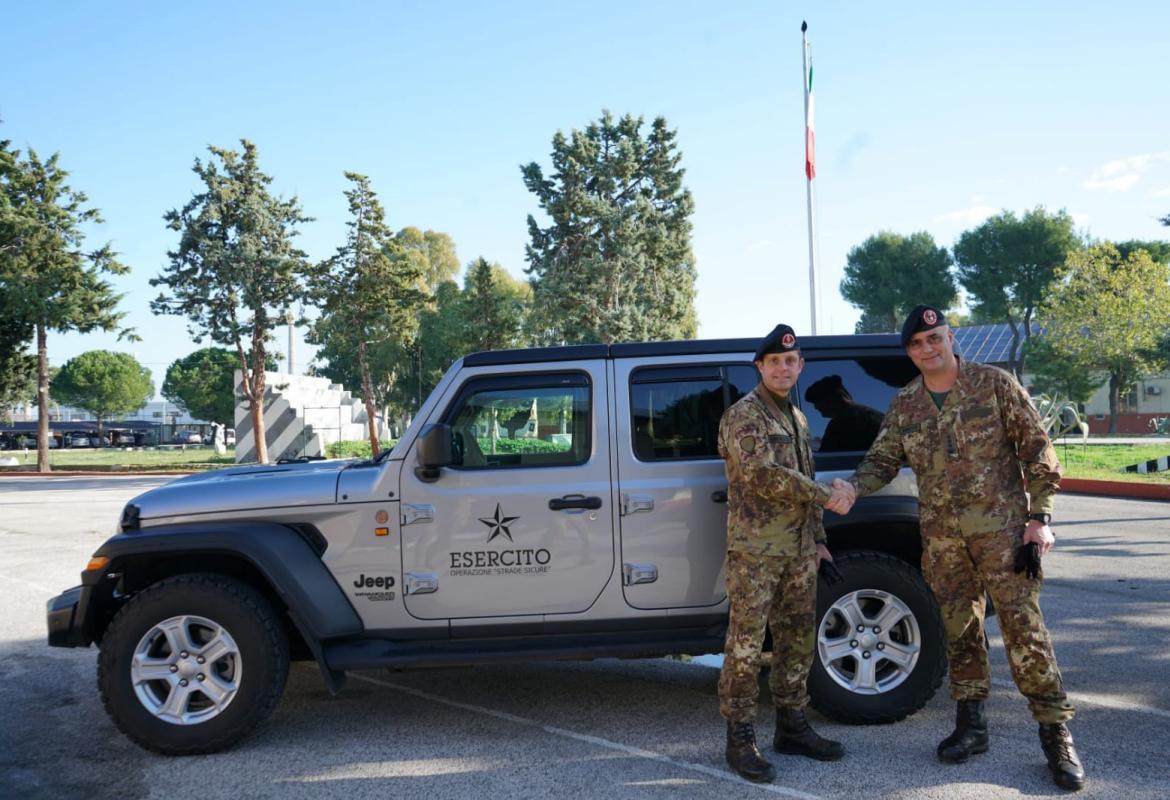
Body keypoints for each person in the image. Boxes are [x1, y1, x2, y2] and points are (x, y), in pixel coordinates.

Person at [828, 305, 1085, 791]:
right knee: (960, 629)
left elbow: (1037, 450)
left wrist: (1040, 518)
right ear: (910, 352)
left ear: (950, 338)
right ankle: (971, 724)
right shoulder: (906, 404)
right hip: (943, 540)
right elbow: (882, 461)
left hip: (1004, 535)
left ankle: (1055, 733)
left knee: (1024, 630)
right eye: (917, 345)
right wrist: (853, 488)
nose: (928, 349)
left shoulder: (993, 385)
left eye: (935, 339)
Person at [716, 323, 851, 783]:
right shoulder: (743, 415)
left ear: (800, 366)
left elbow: (802, 474)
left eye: (791, 361)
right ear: (760, 366)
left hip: (797, 551)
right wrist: (822, 496)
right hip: (756, 552)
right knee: (746, 646)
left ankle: (792, 726)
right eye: (774, 361)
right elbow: (763, 476)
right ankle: (739, 737)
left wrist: (818, 540)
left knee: (796, 641)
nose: (783, 367)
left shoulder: (797, 418)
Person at [803, 374, 885, 452]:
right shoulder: (878, 417)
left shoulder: (842, 423)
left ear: (835, 398)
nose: (816, 407)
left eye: (818, 401)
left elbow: (826, 461)